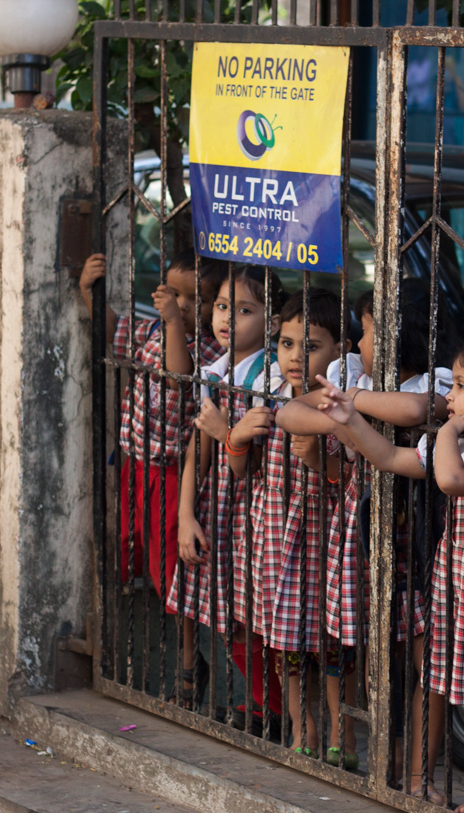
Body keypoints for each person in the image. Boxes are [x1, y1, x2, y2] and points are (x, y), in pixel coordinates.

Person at [314, 340, 464, 810]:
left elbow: (451, 480)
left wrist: (448, 430)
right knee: (434, 674)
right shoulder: (461, 445)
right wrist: (350, 419)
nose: (449, 395)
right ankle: (418, 779)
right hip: (455, 580)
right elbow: (390, 458)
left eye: (461, 386)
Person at [275, 286, 453, 780]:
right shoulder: (350, 370)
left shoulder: (437, 381)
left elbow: (416, 411)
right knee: (373, 647)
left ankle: (417, 773)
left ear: (401, 335)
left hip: (422, 531)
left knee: (427, 659)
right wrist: (345, 419)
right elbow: (289, 413)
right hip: (364, 530)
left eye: (369, 330)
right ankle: (380, 749)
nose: (357, 341)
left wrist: (350, 406)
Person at [227, 289, 351, 763]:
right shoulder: (267, 393)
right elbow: (241, 470)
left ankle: (342, 733)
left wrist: (320, 460)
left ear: (340, 349)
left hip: (324, 537)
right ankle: (304, 727)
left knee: (332, 644)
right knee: (286, 642)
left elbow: (352, 479)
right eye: (286, 343)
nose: (296, 356)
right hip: (275, 534)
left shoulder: (340, 404)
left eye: (311, 346)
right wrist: (238, 437)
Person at [169, 265, 286, 715]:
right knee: (228, 618)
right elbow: (195, 452)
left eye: (244, 310)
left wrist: (225, 433)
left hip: (254, 512)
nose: (227, 318)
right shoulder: (215, 373)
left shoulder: (270, 377)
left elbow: (252, 466)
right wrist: (185, 515)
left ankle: (272, 710)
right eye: (221, 306)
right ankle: (259, 705)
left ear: (272, 323)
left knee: (255, 618)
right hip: (217, 511)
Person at [80, 249, 226, 600]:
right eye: (175, 294)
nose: (183, 305)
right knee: (127, 538)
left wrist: (174, 321)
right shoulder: (152, 331)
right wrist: (87, 289)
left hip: (173, 473)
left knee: (169, 554)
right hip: (136, 463)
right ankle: (128, 597)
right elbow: (113, 330)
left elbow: (178, 376)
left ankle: (179, 619)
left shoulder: (212, 351)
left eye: (197, 299)